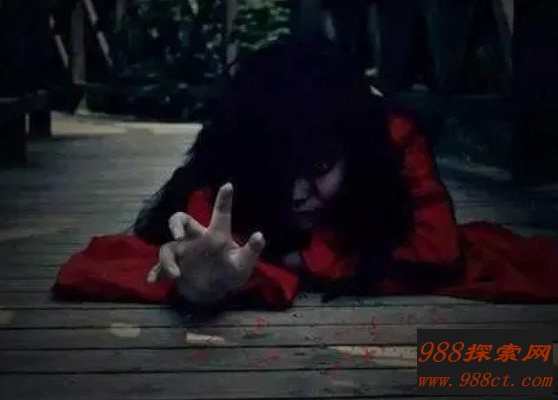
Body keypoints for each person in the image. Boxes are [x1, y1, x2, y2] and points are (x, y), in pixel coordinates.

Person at [54, 37, 558, 309]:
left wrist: (299, 259)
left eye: (318, 167)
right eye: (281, 170)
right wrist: (201, 284)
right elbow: (202, 240)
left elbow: (437, 248)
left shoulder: (389, 138)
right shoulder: (235, 161)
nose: (298, 194)